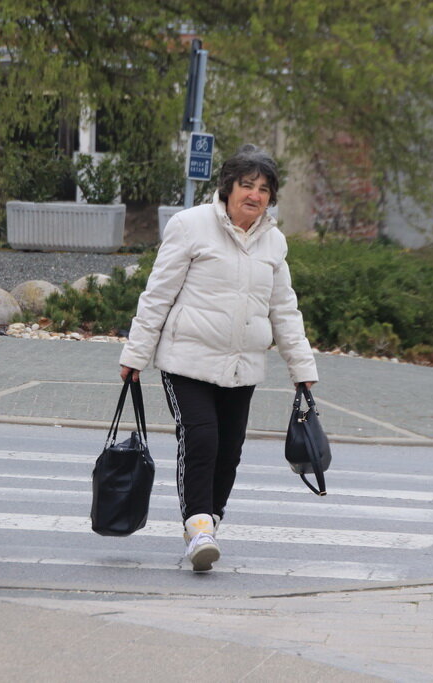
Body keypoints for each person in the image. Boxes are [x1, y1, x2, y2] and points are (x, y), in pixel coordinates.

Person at [119, 144, 318, 572]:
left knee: (229, 451)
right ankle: (198, 529)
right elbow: (158, 294)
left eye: (264, 188)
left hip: (242, 366)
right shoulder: (190, 226)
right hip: (186, 360)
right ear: (227, 187)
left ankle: (212, 522)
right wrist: (135, 354)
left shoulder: (274, 241)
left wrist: (302, 369)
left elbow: (284, 308)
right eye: (247, 185)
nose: (255, 194)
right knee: (202, 439)